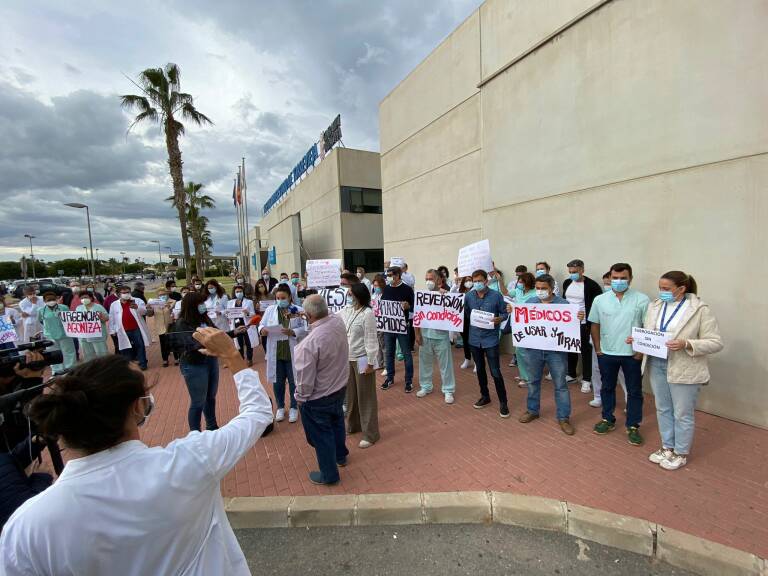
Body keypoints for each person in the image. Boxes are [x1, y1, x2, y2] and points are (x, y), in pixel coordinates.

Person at [0, 332, 273, 576]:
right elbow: (257, 413)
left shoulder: (28, 526)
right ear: (137, 408)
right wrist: (232, 355)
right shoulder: (191, 461)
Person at [638, 271, 723, 470]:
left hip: (684, 367)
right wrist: (639, 339)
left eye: (666, 289)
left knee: (682, 413)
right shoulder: (655, 306)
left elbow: (716, 342)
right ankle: (667, 447)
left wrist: (687, 343)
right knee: (663, 408)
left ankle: (681, 452)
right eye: (660, 288)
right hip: (657, 363)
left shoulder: (699, 309)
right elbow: (650, 332)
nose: (661, 292)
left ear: (682, 289)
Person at [588, 262, 650, 446]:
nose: (619, 281)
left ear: (631, 279)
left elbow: (648, 327)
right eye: (615, 278)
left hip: (632, 355)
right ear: (610, 278)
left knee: (634, 391)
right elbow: (595, 324)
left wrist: (640, 352)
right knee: (607, 387)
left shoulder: (642, 299)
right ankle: (607, 419)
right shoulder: (600, 300)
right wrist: (598, 349)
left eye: (623, 278)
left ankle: (633, 425)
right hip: (607, 353)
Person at [294, 295, 350, 485]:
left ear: (309, 316)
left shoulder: (307, 345)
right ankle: (340, 456)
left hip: (318, 398)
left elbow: (304, 382)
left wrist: (300, 398)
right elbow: (327, 313)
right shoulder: (337, 321)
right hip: (339, 387)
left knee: (321, 435)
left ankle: (329, 474)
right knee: (337, 422)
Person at [517, 275, 574, 435]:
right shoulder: (530, 303)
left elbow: (570, 327)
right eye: (538, 288)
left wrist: (577, 318)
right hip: (534, 350)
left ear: (552, 288)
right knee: (533, 381)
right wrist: (513, 312)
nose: (540, 291)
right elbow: (522, 322)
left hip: (556, 352)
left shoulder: (563, 305)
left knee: (560, 385)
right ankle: (532, 410)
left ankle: (563, 417)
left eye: (543, 288)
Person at [172, 293, 227, 431]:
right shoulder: (182, 323)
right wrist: (209, 342)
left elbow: (217, 333)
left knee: (210, 397)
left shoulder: (205, 318)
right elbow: (190, 344)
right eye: (201, 303)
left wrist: (233, 333)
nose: (204, 306)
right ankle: (195, 433)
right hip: (194, 364)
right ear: (192, 306)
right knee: (198, 401)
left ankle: (212, 427)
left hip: (211, 360)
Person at [259, 285, 307, 423]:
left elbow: (306, 328)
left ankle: (294, 407)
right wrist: (262, 330)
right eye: (278, 298)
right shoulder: (270, 310)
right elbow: (261, 324)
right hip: (276, 353)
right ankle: (280, 407)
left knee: (294, 382)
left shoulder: (298, 310)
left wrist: (293, 332)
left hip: (292, 352)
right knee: (278, 382)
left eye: (283, 298)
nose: (280, 300)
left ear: (290, 297)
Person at [340, 283, 380, 448]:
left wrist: (371, 362)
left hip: (363, 359)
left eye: (351, 294)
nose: (348, 296)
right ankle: (353, 425)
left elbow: (371, 338)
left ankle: (371, 434)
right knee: (350, 395)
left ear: (358, 295)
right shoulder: (347, 310)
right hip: (348, 358)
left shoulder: (367, 313)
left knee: (366, 397)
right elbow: (329, 315)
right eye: (348, 293)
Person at [465, 269, 509, 417]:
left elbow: (504, 313)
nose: (477, 283)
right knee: (480, 370)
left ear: (486, 281)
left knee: (495, 371)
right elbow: (465, 313)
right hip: (474, 339)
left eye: (479, 281)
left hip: (490, 340)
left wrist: (499, 319)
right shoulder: (469, 296)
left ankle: (503, 402)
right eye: (474, 281)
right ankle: (485, 396)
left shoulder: (496, 296)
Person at [415, 269, 456, 404]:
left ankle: (448, 390)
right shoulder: (422, 296)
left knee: (446, 365)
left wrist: (446, 296)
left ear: (439, 280)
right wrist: (417, 334)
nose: (428, 281)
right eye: (426, 279)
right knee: (424, 363)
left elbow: (454, 313)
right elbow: (417, 316)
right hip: (425, 335)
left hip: (441, 336)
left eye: (431, 279)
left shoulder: (446, 296)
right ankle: (426, 386)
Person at [562, 259, 603, 394]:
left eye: (575, 271)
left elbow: (596, 306)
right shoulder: (567, 283)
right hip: (568, 323)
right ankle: (571, 374)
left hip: (584, 323)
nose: (572, 274)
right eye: (570, 272)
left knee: (586, 351)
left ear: (582, 270)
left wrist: (590, 321)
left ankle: (587, 379)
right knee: (570, 347)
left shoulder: (592, 286)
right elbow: (564, 300)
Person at [380, 266, 415, 392]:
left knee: (406, 354)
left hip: (403, 326)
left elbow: (414, 306)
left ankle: (408, 381)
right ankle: (389, 378)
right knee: (389, 353)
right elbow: (382, 305)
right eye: (387, 275)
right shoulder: (386, 289)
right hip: (389, 327)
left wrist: (408, 306)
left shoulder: (407, 289)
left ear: (398, 275)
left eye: (390, 275)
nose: (388, 278)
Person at [109, 285, 150, 371]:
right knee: (125, 348)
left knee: (140, 346)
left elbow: (144, 312)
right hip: (122, 329)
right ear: (119, 294)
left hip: (136, 328)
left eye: (128, 292)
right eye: (124, 293)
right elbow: (112, 318)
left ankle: (143, 363)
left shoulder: (137, 301)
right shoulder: (114, 304)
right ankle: (128, 365)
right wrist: (112, 330)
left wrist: (137, 307)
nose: (126, 294)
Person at [37, 292, 76, 375]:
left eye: (53, 299)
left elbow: (70, 319)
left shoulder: (64, 307)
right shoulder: (41, 310)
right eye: (49, 300)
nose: (51, 301)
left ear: (56, 299)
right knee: (53, 353)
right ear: (44, 301)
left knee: (68, 352)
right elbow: (41, 320)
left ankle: (70, 369)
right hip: (50, 335)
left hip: (64, 334)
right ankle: (56, 370)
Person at [512, 272, 537, 387]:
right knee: (519, 351)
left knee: (526, 352)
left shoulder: (535, 294)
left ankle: (528, 378)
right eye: (519, 281)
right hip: (519, 325)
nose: (519, 283)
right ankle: (524, 375)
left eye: (522, 282)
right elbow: (505, 293)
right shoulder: (518, 291)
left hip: (530, 326)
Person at [75, 291, 110, 361]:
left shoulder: (98, 307)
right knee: (88, 355)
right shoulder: (79, 308)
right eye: (82, 298)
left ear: (91, 298)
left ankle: (104, 366)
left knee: (102, 354)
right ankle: (91, 366)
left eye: (85, 297)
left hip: (97, 335)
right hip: (84, 336)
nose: (83, 299)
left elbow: (106, 318)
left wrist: (101, 317)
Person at [228, 284, 256, 367]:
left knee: (248, 342)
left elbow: (253, 314)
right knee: (238, 343)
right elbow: (228, 314)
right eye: (237, 292)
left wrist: (247, 313)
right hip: (236, 325)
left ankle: (249, 358)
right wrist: (227, 313)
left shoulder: (249, 302)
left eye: (240, 291)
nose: (239, 293)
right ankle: (241, 358)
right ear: (234, 293)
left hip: (246, 325)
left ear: (243, 292)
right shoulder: (230, 302)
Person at [149, 287, 177, 367]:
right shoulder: (154, 303)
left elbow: (174, 312)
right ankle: (165, 359)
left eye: (164, 294)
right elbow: (150, 314)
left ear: (167, 294)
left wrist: (169, 307)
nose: (162, 296)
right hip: (160, 326)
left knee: (173, 342)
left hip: (171, 325)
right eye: (160, 295)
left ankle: (176, 358)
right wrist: (149, 308)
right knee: (163, 343)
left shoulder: (173, 301)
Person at [457, 276, 475, 370]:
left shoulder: (475, 291)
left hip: (473, 318)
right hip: (462, 319)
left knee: (474, 340)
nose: (468, 282)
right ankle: (467, 358)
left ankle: (476, 361)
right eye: (466, 280)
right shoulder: (460, 291)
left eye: (470, 280)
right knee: (465, 340)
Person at [371, 274, 387, 376]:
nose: (376, 287)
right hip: (375, 323)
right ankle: (380, 363)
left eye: (377, 286)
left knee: (384, 345)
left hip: (383, 323)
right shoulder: (373, 296)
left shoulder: (385, 296)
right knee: (377, 345)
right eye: (374, 286)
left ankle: (386, 365)